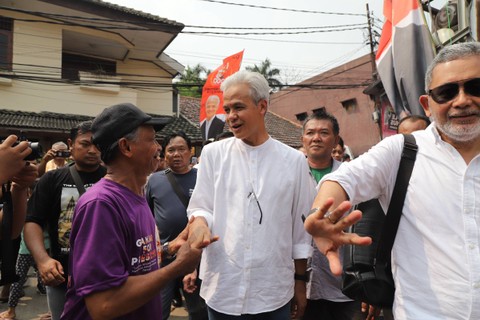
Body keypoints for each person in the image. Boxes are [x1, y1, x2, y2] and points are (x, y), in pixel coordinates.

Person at [304, 42, 480, 319]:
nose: (462, 100)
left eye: (475, 87)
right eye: (446, 92)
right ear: (428, 104)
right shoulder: (402, 151)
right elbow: (342, 179)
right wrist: (320, 214)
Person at [60, 103, 213, 319]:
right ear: (126, 147)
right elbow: (103, 304)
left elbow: (132, 261)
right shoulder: (101, 205)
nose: (159, 147)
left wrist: (168, 248)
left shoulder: (137, 195)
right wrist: (177, 267)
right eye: (151, 140)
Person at [187, 71, 316, 319]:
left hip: (273, 291)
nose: (231, 117)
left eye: (238, 107)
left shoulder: (294, 161)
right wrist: (200, 221)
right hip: (223, 286)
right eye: (227, 109)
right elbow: (200, 207)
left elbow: (300, 234)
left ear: (262, 106)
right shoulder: (213, 154)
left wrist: (300, 282)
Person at [24, 121, 106, 320]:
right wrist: (43, 260)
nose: (93, 150)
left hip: (106, 275)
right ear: (71, 144)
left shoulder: (113, 178)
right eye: (85, 144)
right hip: (62, 276)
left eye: (97, 145)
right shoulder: (51, 180)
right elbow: (32, 222)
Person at [301, 111, 362, 320]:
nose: (316, 138)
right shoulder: (290, 174)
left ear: (336, 140)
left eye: (324, 133)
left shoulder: (352, 176)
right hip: (301, 285)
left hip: (344, 286)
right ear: (303, 139)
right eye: (310, 133)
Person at [145, 131, 207, 320]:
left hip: (196, 256)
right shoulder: (154, 180)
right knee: (158, 310)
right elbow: (147, 215)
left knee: (198, 311)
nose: (176, 154)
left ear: (191, 151)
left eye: (181, 149)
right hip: (165, 255)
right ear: (164, 154)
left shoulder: (203, 178)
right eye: (171, 150)